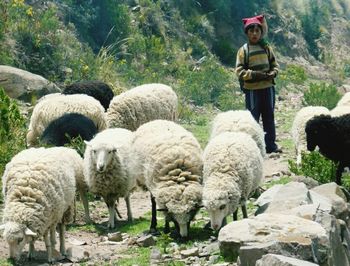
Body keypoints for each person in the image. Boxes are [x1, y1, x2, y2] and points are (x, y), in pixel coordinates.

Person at [235, 14, 282, 154]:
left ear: (261, 33)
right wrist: (254, 75)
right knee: (252, 119)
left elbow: (275, 65)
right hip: (252, 90)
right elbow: (239, 70)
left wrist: (273, 73)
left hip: (268, 89)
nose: (254, 34)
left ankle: (270, 146)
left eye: (257, 31)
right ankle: (253, 147)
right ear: (247, 33)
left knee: (269, 117)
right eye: (251, 31)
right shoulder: (244, 51)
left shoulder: (267, 48)